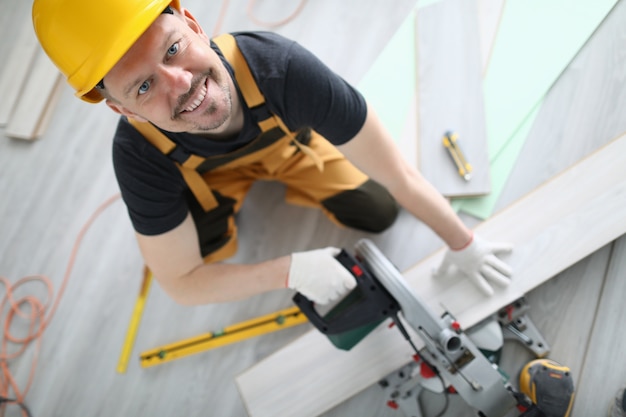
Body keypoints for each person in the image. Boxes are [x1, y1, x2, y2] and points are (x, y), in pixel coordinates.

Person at [32, 0, 513, 306]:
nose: (181, 84)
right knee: (199, 252)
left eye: (173, 49)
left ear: (193, 24)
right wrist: (290, 271)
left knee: (380, 209)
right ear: (122, 110)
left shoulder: (283, 70)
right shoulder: (139, 157)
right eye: (143, 86)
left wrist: (462, 243)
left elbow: (400, 174)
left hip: (289, 150)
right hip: (207, 181)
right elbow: (181, 282)